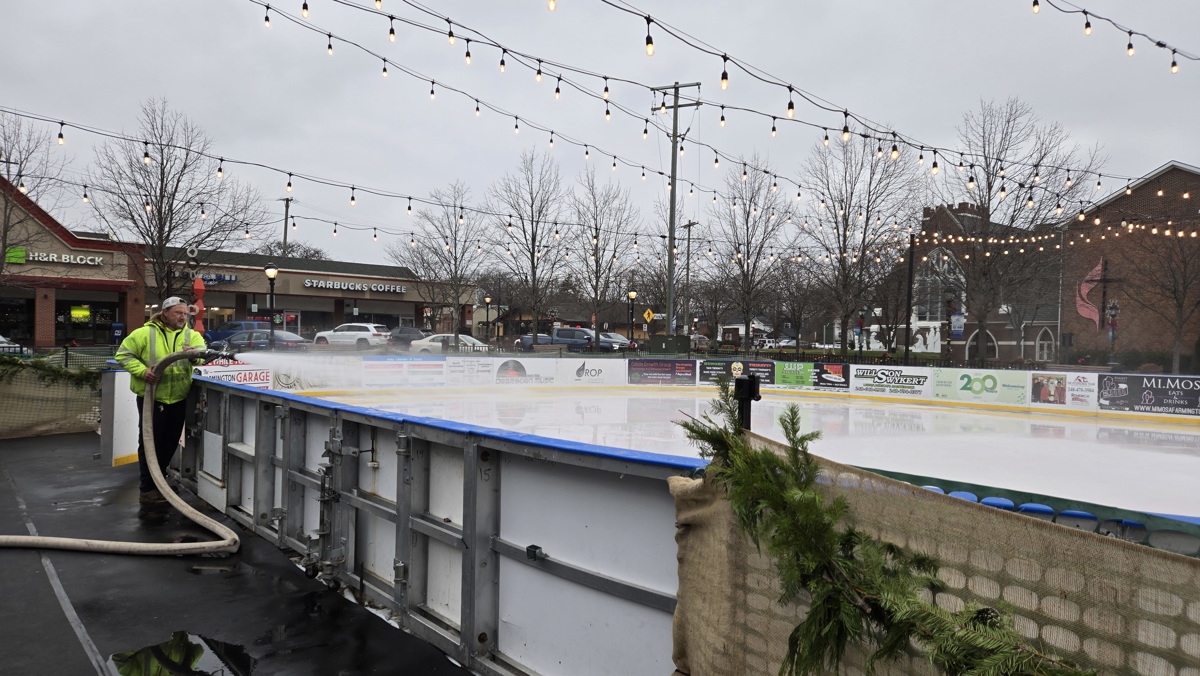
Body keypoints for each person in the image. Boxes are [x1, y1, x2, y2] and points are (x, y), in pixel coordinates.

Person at [116, 296, 207, 505]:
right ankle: (147, 489)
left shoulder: (190, 335)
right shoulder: (143, 334)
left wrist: (194, 356)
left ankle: (159, 482)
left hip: (177, 399)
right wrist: (142, 372)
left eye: (185, 313)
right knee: (150, 444)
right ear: (165, 312)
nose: (183, 317)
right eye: (178, 313)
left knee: (169, 443)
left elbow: (202, 355)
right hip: (152, 399)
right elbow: (123, 355)